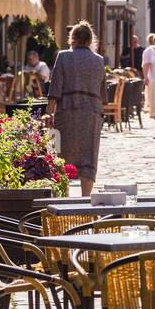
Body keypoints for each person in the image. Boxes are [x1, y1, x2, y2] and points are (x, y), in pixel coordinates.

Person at [45, 21, 107, 196]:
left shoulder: (63, 57)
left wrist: (48, 114)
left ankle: (64, 198)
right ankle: (86, 198)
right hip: (92, 115)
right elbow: (102, 93)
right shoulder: (99, 60)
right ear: (90, 40)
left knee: (62, 156)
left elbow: (55, 88)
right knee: (89, 156)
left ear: (72, 38)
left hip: (67, 113)